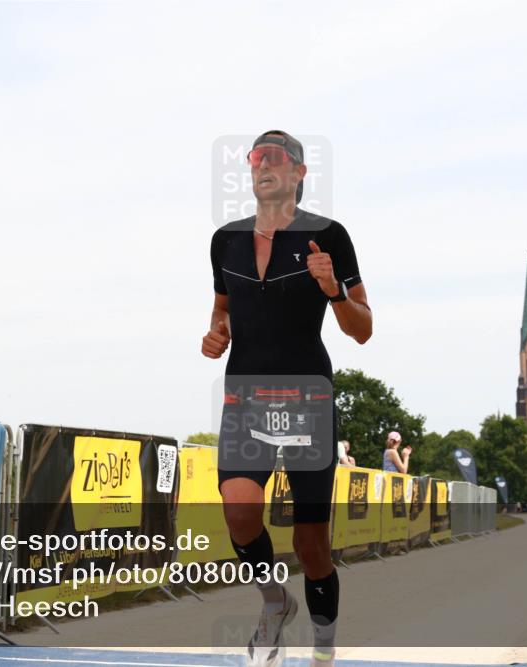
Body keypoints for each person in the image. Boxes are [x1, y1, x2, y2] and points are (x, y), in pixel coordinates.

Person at [201, 130, 372, 667]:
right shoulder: (224, 240)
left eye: (275, 157)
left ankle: (324, 651)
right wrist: (216, 332)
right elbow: (221, 308)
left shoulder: (328, 236)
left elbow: (362, 328)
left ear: (299, 172)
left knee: (311, 543)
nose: (262, 164)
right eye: (255, 157)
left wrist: (333, 291)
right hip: (246, 396)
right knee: (239, 511)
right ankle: (275, 602)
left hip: (308, 398)